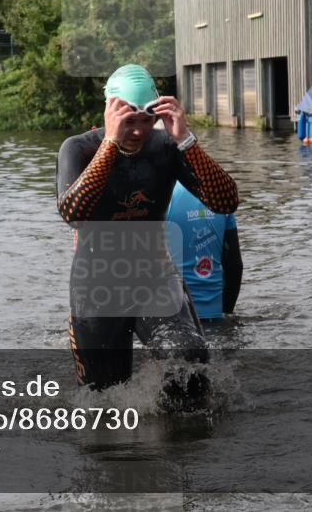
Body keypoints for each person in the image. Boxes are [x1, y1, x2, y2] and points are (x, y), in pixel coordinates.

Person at [56, 64, 238, 393]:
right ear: (110, 112)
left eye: (146, 120)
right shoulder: (78, 148)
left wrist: (185, 140)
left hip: (154, 276)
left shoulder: (166, 148)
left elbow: (226, 201)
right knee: (100, 400)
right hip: (96, 287)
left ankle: (177, 438)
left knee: (189, 362)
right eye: (129, 121)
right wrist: (110, 143)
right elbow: (72, 213)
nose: (138, 131)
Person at [165, 181, 243, 320]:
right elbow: (234, 267)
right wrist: (226, 312)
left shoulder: (162, 195)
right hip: (215, 313)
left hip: (176, 316)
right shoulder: (219, 193)